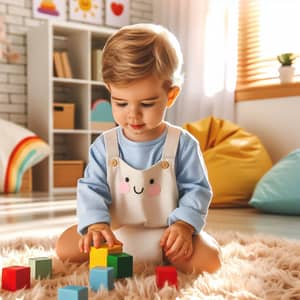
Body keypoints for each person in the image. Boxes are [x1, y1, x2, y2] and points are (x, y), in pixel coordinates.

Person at [56, 23, 221, 274]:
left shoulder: (182, 144)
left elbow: (197, 190)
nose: (132, 114)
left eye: (146, 103)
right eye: (120, 103)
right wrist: (96, 225)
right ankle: (116, 253)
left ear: (171, 95)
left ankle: (167, 254)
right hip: (115, 236)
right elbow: (91, 188)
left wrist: (184, 227)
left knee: (210, 260)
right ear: (109, 91)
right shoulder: (104, 145)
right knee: (64, 246)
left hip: (167, 238)